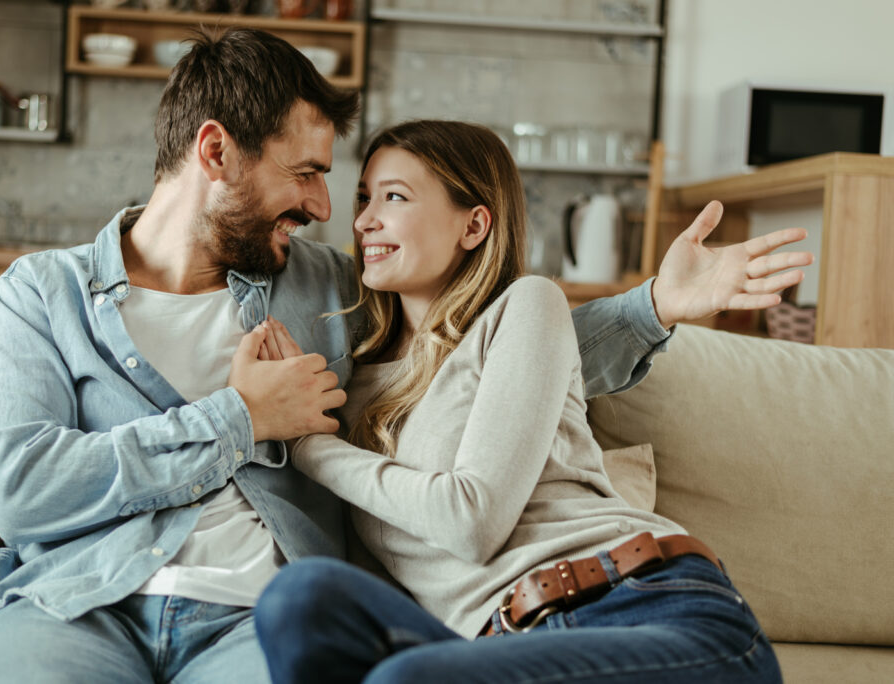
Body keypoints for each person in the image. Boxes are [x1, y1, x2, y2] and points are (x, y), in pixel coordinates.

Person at [0, 26, 808, 683]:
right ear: (215, 152)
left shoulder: (328, 285)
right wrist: (239, 419)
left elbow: (486, 358)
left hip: (255, 618)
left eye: (353, 189)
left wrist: (652, 306)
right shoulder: (44, 293)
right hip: (77, 606)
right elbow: (26, 492)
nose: (328, 209)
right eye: (307, 175)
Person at [252, 120, 789, 683]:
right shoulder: (353, 387)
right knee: (300, 597)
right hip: (493, 646)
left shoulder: (525, 307)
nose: (363, 221)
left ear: (474, 224)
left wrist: (310, 445)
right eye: (364, 198)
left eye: (393, 197)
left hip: (642, 608)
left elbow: (471, 521)